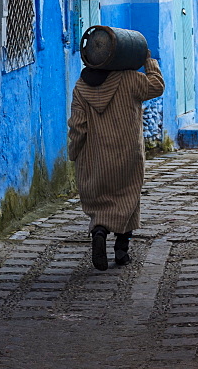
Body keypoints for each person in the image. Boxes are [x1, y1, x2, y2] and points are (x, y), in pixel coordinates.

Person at [68, 49, 164, 271]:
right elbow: (157, 86)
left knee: (100, 200)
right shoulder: (131, 80)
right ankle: (122, 250)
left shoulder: (81, 87)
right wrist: (149, 62)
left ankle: (99, 231)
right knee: (128, 197)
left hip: (94, 156)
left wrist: (74, 152)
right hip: (128, 153)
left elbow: (78, 126)